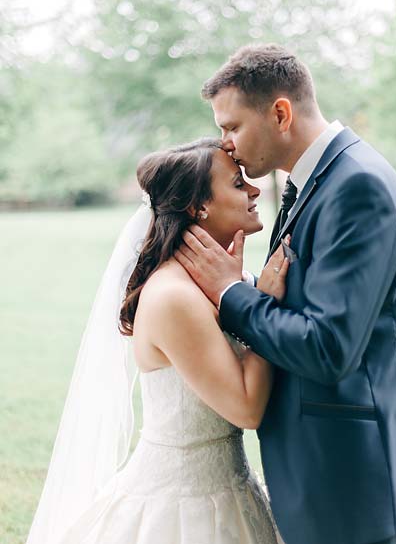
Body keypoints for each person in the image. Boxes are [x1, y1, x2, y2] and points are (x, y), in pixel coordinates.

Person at [175, 44, 396, 544]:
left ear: (280, 112)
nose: (225, 143)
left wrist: (233, 294)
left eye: (232, 127)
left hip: (349, 474)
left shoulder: (356, 187)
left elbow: (328, 347)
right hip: (332, 468)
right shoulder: (322, 180)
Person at [27, 138, 287, 544]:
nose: (254, 189)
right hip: (184, 506)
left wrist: (240, 292)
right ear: (198, 208)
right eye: (238, 184)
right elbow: (247, 409)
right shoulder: (173, 296)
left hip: (231, 488)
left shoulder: (212, 282)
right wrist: (266, 304)